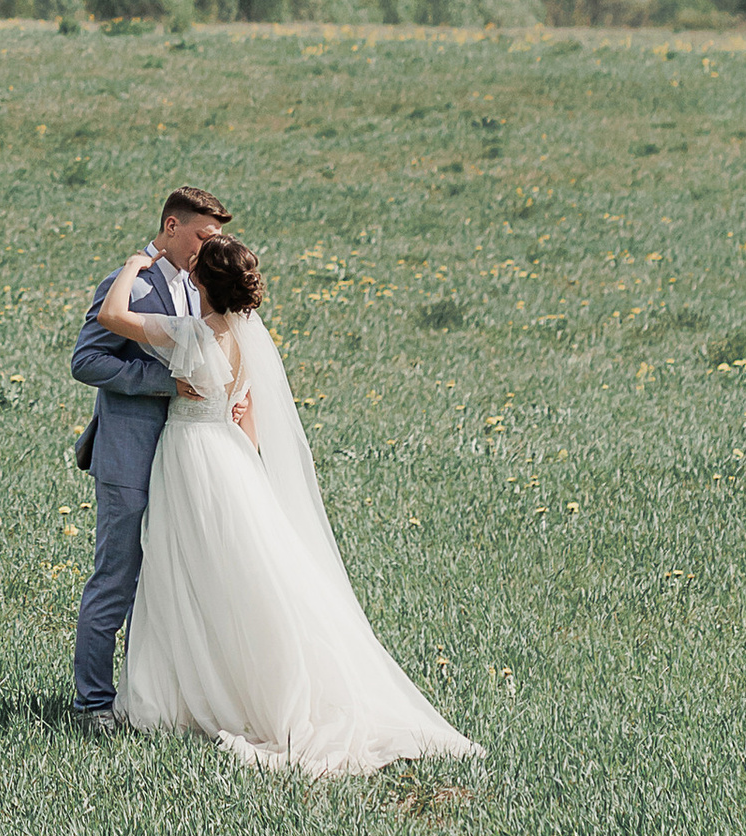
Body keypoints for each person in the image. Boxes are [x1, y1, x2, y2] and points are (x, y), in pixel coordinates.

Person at [92, 230, 481, 776]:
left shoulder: (188, 334)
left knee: (185, 571)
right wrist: (246, 469)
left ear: (201, 281)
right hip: (227, 455)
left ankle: (189, 689)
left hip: (189, 456)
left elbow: (112, 316)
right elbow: (245, 409)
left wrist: (134, 265)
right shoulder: (246, 335)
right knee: (233, 571)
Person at [65, 184, 232, 728]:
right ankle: (92, 703)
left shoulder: (199, 289)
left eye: (218, 239)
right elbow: (86, 361)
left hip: (182, 461)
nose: (208, 248)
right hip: (129, 456)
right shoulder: (127, 286)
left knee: (164, 581)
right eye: (203, 236)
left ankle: (142, 700)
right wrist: (164, 382)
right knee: (117, 579)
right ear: (170, 227)